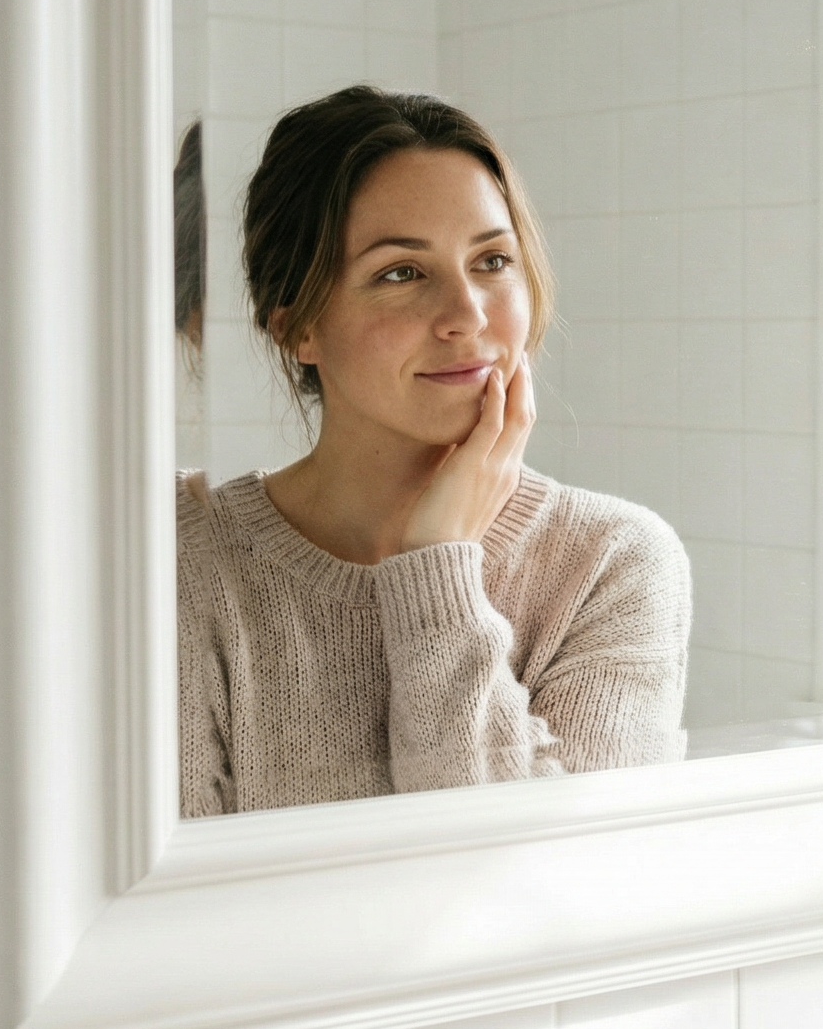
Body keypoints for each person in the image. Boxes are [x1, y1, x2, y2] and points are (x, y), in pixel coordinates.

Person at [176, 85, 691, 818]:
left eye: (492, 261)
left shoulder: (614, 562)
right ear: (297, 328)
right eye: (401, 273)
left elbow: (543, 875)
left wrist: (438, 567)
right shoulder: (185, 552)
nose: (467, 315)